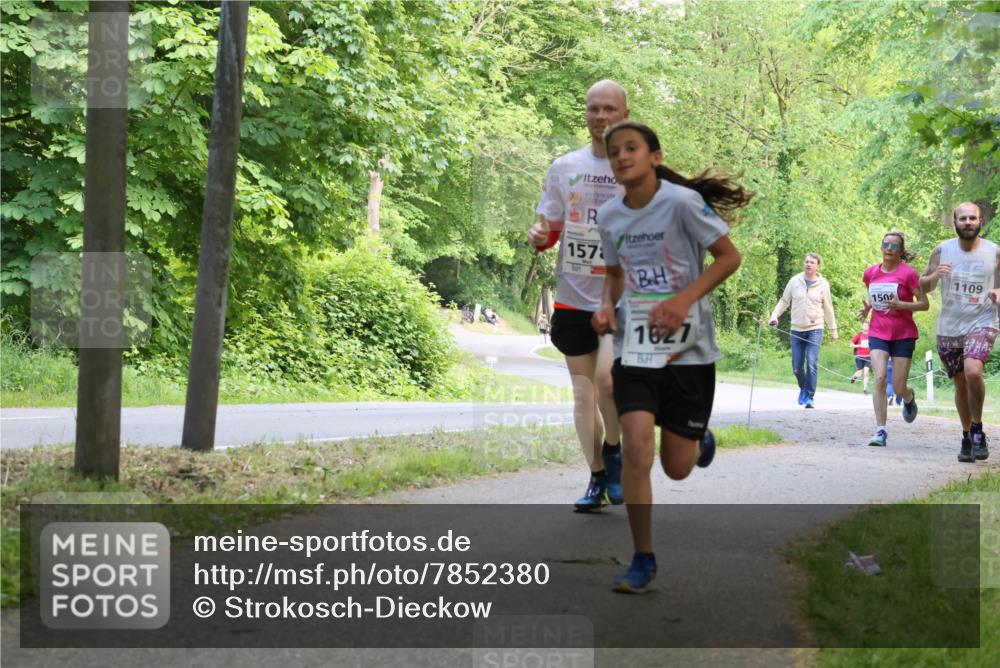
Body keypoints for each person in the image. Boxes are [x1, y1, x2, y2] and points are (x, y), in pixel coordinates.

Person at [591, 121, 752, 593]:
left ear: (655, 157)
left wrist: (683, 300)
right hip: (635, 348)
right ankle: (643, 558)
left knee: (676, 468)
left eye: (632, 148)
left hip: (689, 351)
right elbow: (615, 275)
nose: (621, 156)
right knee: (638, 447)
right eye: (614, 151)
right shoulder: (610, 217)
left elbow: (729, 257)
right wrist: (606, 304)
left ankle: (697, 441)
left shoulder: (682, 203)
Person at [529, 80, 629, 512]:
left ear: (624, 114)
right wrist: (537, 235)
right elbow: (547, 230)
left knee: (607, 381)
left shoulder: (637, 168)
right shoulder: (564, 167)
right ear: (585, 113)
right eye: (593, 109)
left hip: (619, 299)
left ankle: (614, 451)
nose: (600, 117)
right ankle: (597, 476)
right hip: (572, 297)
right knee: (584, 395)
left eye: (609, 109)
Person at [920, 202, 999, 463]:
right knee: (960, 384)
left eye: (972, 218)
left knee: (973, 371)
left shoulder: (994, 252)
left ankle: (977, 428)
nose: (968, 222)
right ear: (954, 222)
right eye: (962, 218)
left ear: (980, 222)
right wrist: (935, 276)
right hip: (950, 326)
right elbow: (923, 286)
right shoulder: (942, 250)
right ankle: (967, 436)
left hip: (983, 319)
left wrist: (998, 294)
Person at [859, 231, 929, 447]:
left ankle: (908, 397)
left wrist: (902, 305)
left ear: (901, 251)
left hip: (903, 334)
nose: (889, 248)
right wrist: (867, 309)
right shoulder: (870, 273)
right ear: (881, 247)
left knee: (898, 387)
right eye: (886, 244)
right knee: (879, 378)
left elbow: (924, 304)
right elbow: (874, 294)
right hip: (878, 331)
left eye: (895, 246)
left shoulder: (908, 274)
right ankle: (880, 430)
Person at [767, 253, 839, 408]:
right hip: (796, 329)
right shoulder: (795, 281)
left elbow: (828, 307)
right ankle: (804, 389)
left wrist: (833, 329)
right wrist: (774, 316)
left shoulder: (823, 284)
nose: (808, 264)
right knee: (797, 366)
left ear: (817, 266)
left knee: (812, 363)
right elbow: (784, 301)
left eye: (812, 262)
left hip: (815, 328)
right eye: (806, 262)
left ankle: (810, 397)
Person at [849, 321, 872, 394]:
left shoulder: (871, 336)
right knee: (859, 373)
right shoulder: (859, 335)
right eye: (864, 325)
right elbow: (851, 345)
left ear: (869, 327)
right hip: (859, 356)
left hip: (868, 357)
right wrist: (859, 345)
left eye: (867, 326)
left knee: (866, 372)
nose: (865, 327)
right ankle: (854, 377)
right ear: (862, 327)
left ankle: (865, 389)